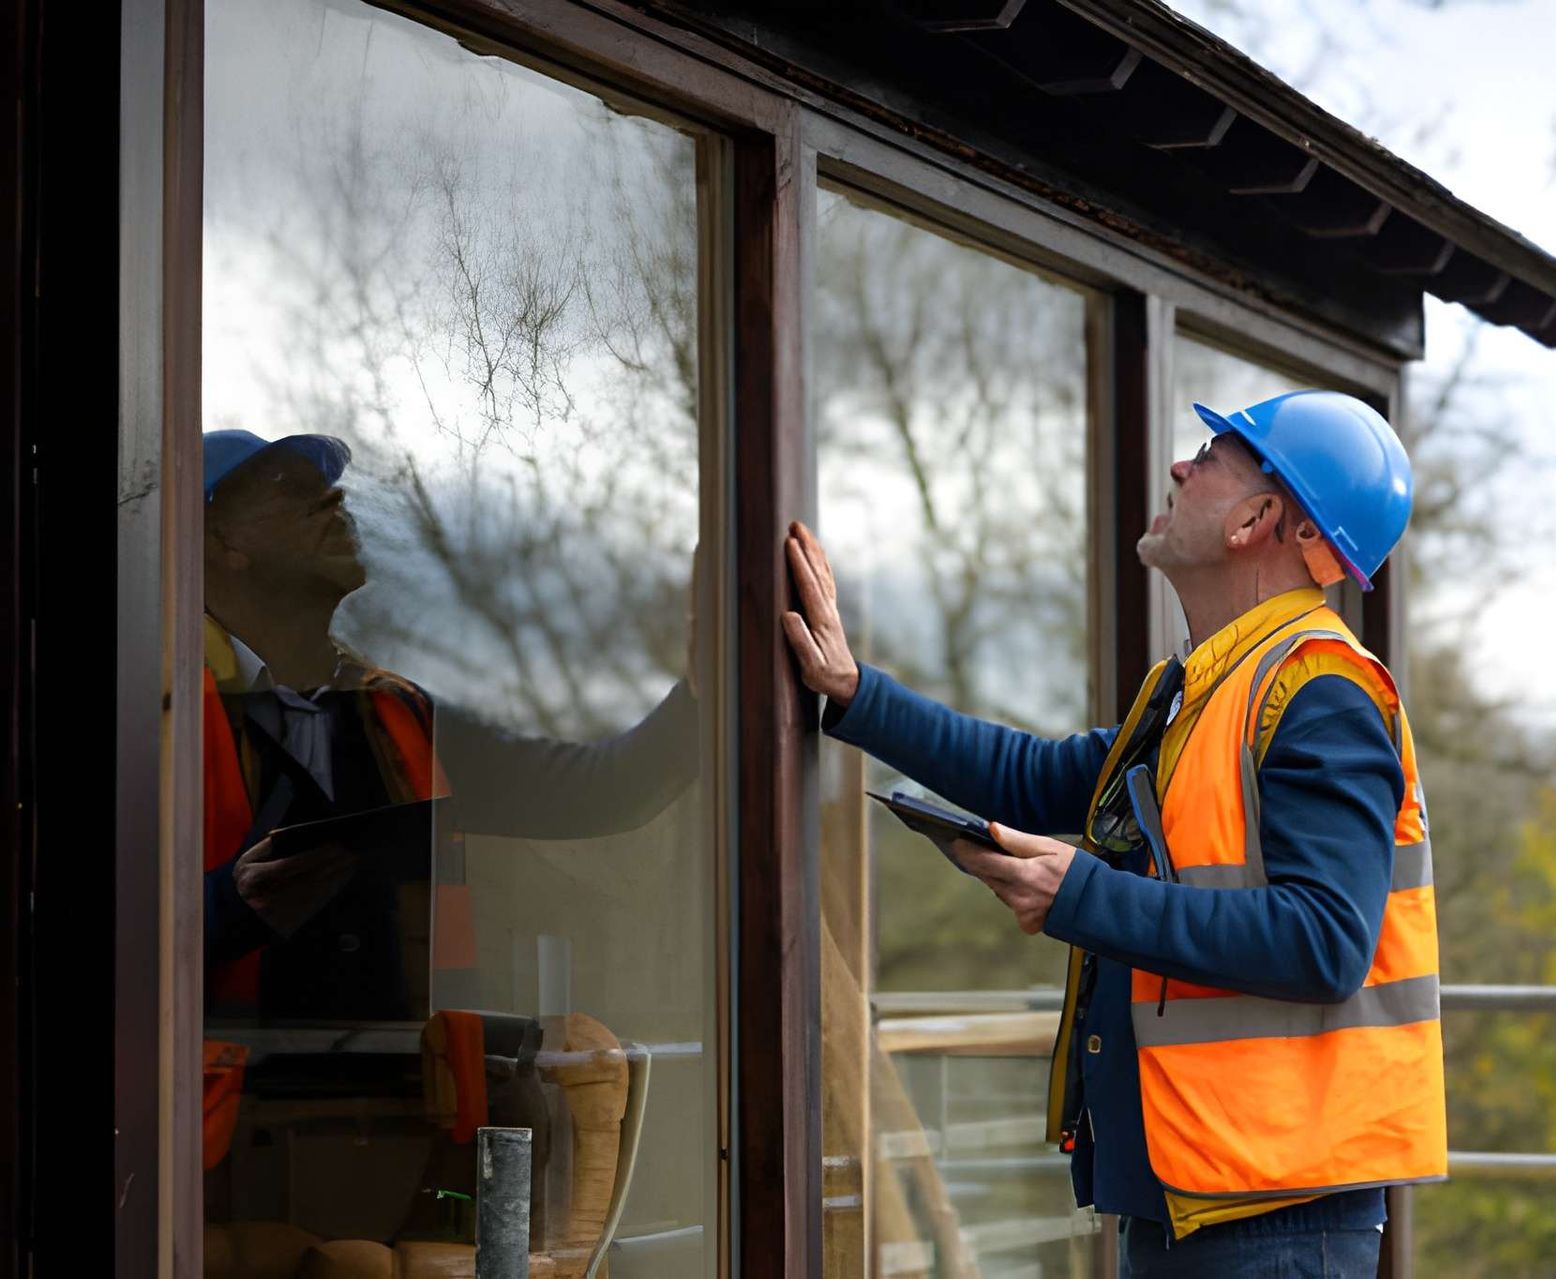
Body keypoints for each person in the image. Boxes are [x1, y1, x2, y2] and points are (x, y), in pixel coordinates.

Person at [783, 390, 1443, 1276]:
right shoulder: (1205, 693)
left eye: (1209, 457)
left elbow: (1325, 942)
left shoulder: (1321, 696)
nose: (1179, 466)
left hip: (1272, 1221)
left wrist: (1080, 894)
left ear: (1256, 519)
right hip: (1206, 1195)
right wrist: (853, 690)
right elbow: (1028, 778)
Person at [201, 428, 700, 1022]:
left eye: (328, 488)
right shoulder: (149, 711)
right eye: (292, 491)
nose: (335, 499)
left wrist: (705, 688)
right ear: (220, 542)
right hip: (211, 1082)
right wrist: (227, 908)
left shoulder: (394, 714)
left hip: (399, 1080)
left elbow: (603, 791)